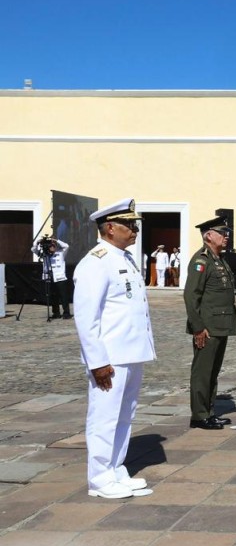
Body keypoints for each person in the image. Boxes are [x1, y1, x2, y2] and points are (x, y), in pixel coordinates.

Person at [72, 198, 155, 499]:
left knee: (124, 415)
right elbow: (86, 317)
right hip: (110, 356)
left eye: (135, 225)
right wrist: (97, 361)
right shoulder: (96, 261)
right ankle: (99, 478)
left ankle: (116, 468)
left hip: (131, 352)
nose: (134, 230)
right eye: (129, 225)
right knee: (104, 416)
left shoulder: (126, 258)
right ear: (110, 228)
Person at [183, 216, 236, 430]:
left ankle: (208, 411)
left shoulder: (219, 259)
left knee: (213, 372)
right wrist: (198, 328)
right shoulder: (201, 261)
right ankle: (199, 415)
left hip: (220, 325)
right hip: (206, 328)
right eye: (221, 233)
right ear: (208, 236)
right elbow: (191, 296)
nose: (226, 237)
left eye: (226, 233)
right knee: (202, 372)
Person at [34, 235, 72, 319]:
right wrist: (38, 242)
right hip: (50, 278)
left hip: (60, 278)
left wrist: (55, 240)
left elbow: (66, 246)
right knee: (53, 296)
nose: (52, 247)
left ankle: (66, 313)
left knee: (63, 297)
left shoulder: (60, 253)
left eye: (54, 245)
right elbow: (33, 249)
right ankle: (56, 313)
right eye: (51, 245)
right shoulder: (44, 255)